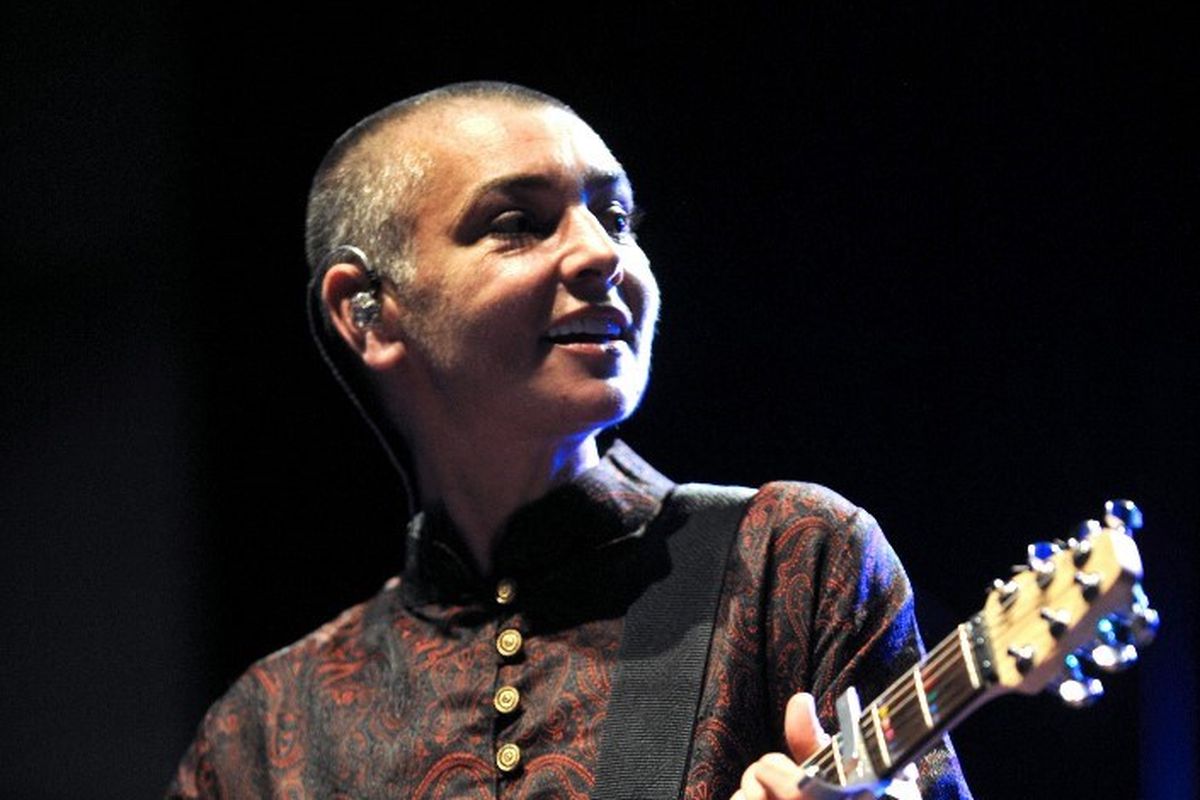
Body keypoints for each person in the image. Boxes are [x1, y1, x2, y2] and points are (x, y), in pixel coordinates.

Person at [168, 81, 973, 799]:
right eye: (517, 224)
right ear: (368, 312)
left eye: (616, 217)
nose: (600, 252)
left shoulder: (786, 560)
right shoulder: (265, 732)